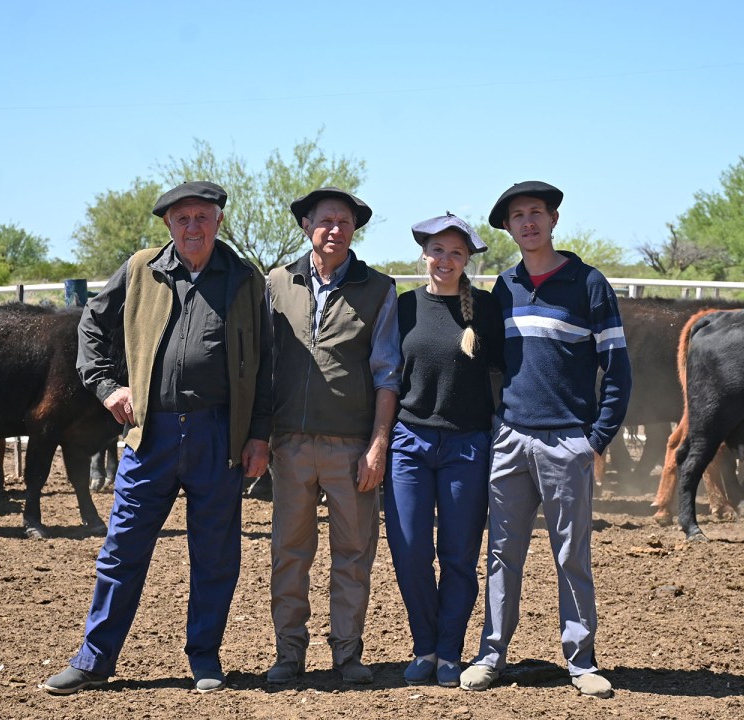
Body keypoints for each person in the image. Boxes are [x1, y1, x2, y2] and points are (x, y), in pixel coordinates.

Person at [42, 181, 272, 695]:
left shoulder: (243, 278)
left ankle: (204, 656)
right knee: (122, 548)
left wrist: (258, 436)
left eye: (203, 217)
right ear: (168, 224)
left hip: (219, 433)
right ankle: (95, 658)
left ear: (218, 221)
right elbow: (91, 328)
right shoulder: (142, 268)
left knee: (215, 553)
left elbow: (266, 364)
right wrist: (106, 386)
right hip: (152, 432)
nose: (193, 227)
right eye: (183, 218)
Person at [459, 181, 631, 698]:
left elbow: (616, 369)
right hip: (511, 439)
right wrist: (496, 426)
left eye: (536, 212)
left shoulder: (588, 284)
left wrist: (595, 439)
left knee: (571, 554)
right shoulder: (503, 288)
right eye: (517, 215)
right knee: (501, 553)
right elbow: (491, 368)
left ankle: (581, 661)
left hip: (567, 444)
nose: (528, 222)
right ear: (508, 228)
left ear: (554, 220)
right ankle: (491, 654)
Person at [266, 187, 402, 685]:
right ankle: (289, 653)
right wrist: (262, 436)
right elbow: (264, 368)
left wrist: (378, 445)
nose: (335, 230)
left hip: (351, 448)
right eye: (325, 221)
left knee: (353, 553)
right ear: (306, 226)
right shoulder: (278, 284)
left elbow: (388, 373)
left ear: (354, 229)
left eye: (344, 222)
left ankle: (347, 653)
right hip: (292, 445)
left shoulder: (379, 289)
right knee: (290, 551)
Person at [384, 213, 504, 688]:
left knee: (458, 554)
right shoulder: (403, 306)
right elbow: (386, 376)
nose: (445, 260)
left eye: (456, 252)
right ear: (424, 253)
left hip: (468, 446)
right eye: (437, 250)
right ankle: (425, 646)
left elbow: (505, 371)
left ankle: (450, 651)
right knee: (410, 550)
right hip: (409, 442)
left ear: (467, 259)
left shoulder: (488, 310)